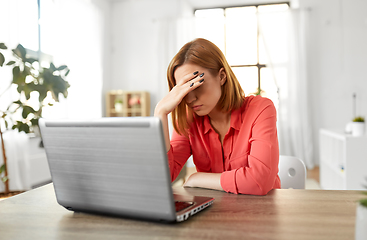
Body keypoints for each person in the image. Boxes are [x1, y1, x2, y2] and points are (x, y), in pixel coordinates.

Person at [154, 38, 280, 195]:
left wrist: (198, 178)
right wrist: (160, 114)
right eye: (184, 90)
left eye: (196, 84)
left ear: (221, 77)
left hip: (261, 212)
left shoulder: (261, 109)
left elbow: (259, 181)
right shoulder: (189, 119)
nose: (190, 99)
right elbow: (162, 177)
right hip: (213, 213)